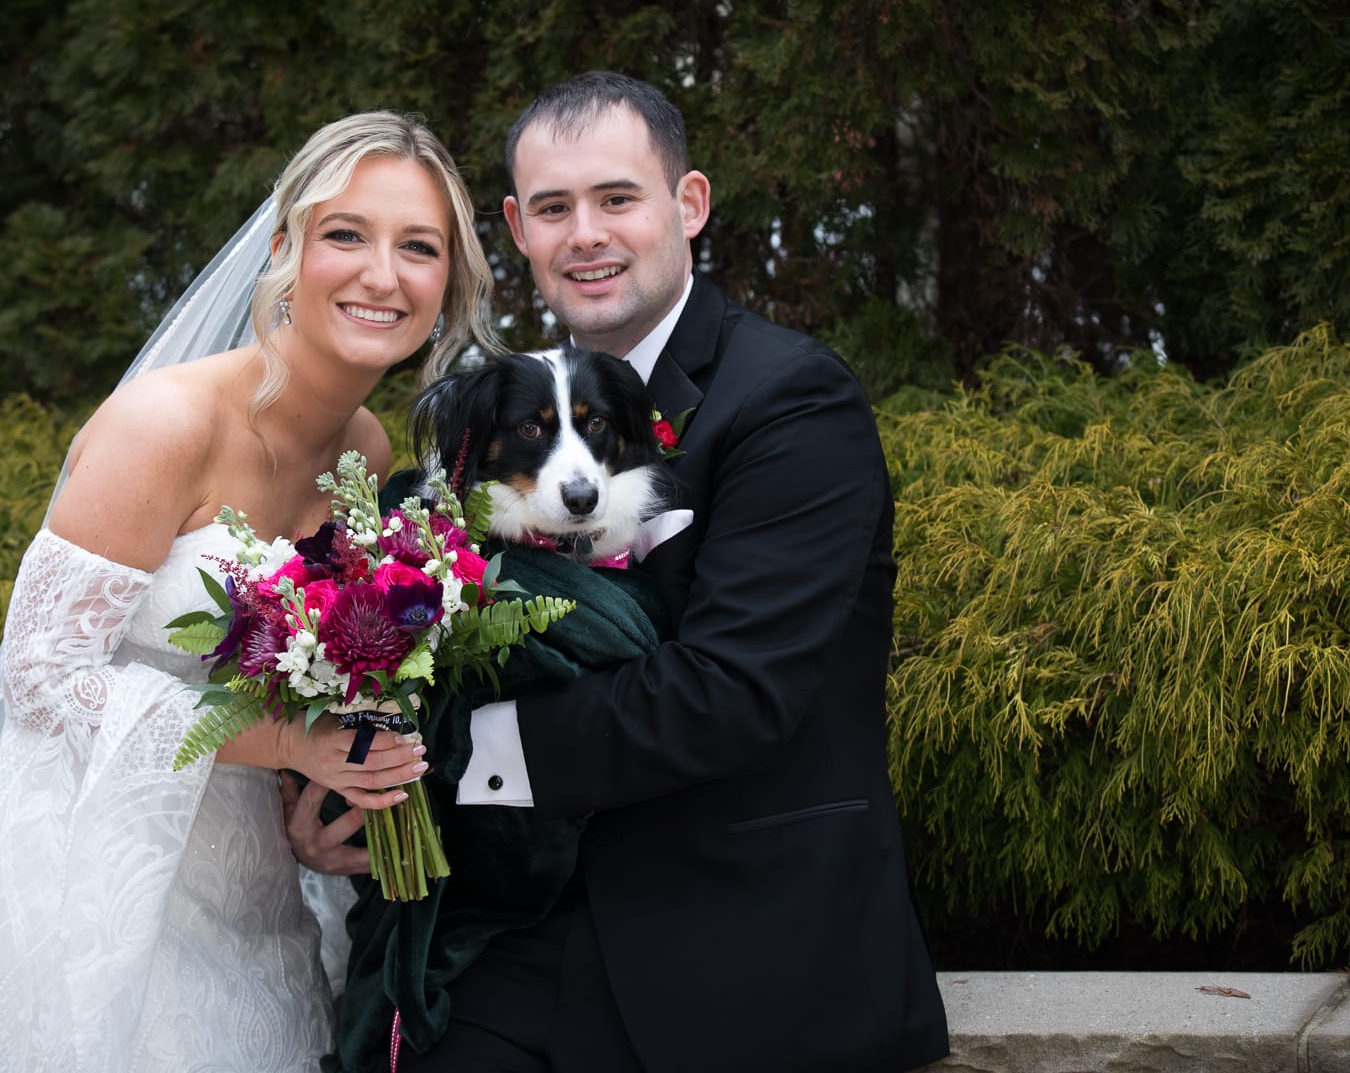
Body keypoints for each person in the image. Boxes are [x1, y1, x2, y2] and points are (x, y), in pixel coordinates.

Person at [0, 110, 504, 1071]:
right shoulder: (165, 424)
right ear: (284, 249)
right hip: (102, 880)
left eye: (420, 248)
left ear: (449, 284)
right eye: (346, 234)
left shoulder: (366, 452)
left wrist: (311, 799)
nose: (382, 274)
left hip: (255, 882)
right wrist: (286, 742)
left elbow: (293, 671)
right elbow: (39, 677)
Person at [403, 73, 951, 1071]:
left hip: (745, 952)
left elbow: (731, 691)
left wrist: (443, 751)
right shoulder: (496, 429)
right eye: (556, 209)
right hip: (513, 952)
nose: (587, 235)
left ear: (687, 205)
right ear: (519, 229)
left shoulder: (791, 399)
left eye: (618, 198)